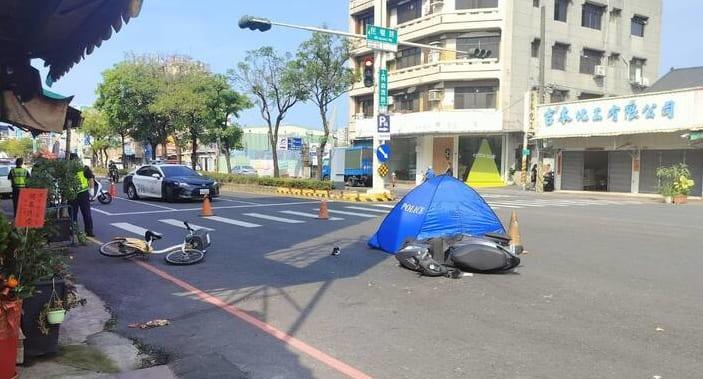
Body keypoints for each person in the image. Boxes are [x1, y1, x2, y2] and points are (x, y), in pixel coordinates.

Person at [69, 153, 95, 237]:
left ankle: (74, 232)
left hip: (76, 194)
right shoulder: (83, 168)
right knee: (82, 213)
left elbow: (90, 178)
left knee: (75, 214)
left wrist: (91, 190)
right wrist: (91, 191)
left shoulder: (69, 169)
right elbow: (91, 179)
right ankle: (87, 231)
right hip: (78, 194)